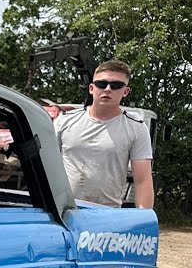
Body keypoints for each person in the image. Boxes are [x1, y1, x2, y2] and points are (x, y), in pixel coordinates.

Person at [55, 59, 154, 209]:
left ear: (126, 91)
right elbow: (46, 167)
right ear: (91, 88)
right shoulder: (64, 122)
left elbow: (143, 180)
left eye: (116, 85)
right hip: (63, 211)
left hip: (107, 215)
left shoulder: (136, 128)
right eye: (101, 84)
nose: (107, 89)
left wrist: (144, 220)